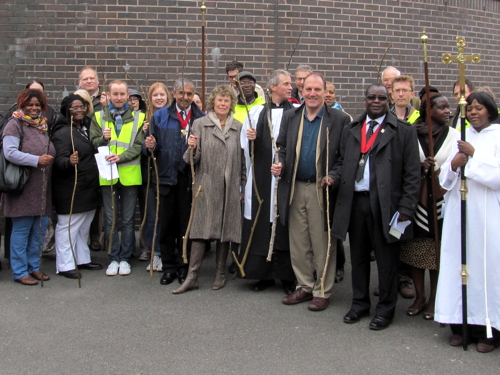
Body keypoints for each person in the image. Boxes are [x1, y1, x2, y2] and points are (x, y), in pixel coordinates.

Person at [331, 83, 420, 330]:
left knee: (386, 260)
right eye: (372, 97)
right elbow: (342, 162)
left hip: (387, 205)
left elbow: (412, 174)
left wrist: (406, 207)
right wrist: (333, 177)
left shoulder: (403, 131)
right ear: (365, 100)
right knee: (357, 257)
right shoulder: (353, 129)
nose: (376, 101)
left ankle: (386, 309)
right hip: (356, 202)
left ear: (388, 99)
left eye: (382, 97)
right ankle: (359, 304)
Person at [272, 73, 351, 311]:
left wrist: (333, 177)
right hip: (295, 186)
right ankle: (305, 286)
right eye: (308, 89)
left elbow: (345, 157)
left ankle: (322, 290)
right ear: (301, 91)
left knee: (322, 242)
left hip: (321, 188)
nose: (313, 94)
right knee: (298, 242)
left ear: (325, 92)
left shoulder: (339, 119)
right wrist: (281, 164)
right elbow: (283, 148)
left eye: (318, 89)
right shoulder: (291, 116)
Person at [435, 91, 500, 353]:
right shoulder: (459, 135)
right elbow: (444, 180)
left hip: (485, 211)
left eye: (479, 108)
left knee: (485, 268)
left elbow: (497, 177)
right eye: (469, 108)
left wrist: (472, 159)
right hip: (457, 211)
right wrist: (454, 163)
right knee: (457, 264)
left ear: (490, 110)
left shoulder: (497, 135)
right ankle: (459, 325)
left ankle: (488, 329)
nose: (473, 112)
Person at [173, 84, 245, 294]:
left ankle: (220, 273)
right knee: (200, 231)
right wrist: (191, 146)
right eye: (219, 100)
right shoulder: (200, 124)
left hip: (229, 186)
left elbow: (242, 162)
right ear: (213, 102)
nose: (223, 103)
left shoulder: (238, 127)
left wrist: (242, 185)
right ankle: (192, 276)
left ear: (231, 103)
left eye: (227, 100)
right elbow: (190, 161)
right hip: (206, 185)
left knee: (225, 229)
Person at [400, 93, 459, 319]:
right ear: (428, 111)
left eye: (447, 107)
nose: (447, 111)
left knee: (436, 252)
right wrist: (419, 164)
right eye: (441, 107)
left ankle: (435, 298)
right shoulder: (412, 133)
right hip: (417, 199)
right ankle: (420, 296)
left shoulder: (455, 135)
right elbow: (404, 162)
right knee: (416, 251)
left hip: (442, 201)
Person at [238, 69, 296, 294]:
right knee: (262, 223)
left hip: (285, 177)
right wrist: (252, 139)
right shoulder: (257, 111)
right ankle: (263, 274)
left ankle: (288, 276)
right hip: (262, 176)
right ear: (273, 87)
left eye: (290, 84)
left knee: (285, 225)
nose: (290, 87)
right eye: (286, 84)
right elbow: (245, 147)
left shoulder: (297, 112)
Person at [144, 78, 205, 285]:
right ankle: (169, 267)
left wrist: (196, 148)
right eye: (181, 93)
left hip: (189, 180)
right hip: (166, 178)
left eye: (189, 94)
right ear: (174, 93)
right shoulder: (160, 116)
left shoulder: (200, 117)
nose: (185, 98)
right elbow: (151, 150)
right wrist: (150, 145)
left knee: (185, 226)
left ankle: (184, 266)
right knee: (167, 225)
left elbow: (205, 152)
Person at [90, 80, 145, 277]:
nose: (119, 97)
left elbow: (139, 145)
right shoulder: (98, 116)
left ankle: (125, 257)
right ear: (110, 95)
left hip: (129, 175)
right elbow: (93, 141)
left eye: (122, 94)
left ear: (128, 95)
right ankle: (113, 257)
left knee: (129, 220)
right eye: (115, 94)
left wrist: (121, 157)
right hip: (108, 175)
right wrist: (103, 139)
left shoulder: (140, 117)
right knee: (111, 220)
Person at [1, 89, 55, 285]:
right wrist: (36, 160)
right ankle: (20, 270)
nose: (34, 108)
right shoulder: (14, 125)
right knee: (22, 230)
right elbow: (10, 153)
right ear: (22, 105)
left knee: (39, 231)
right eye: (30, 105)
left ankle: (34, 266)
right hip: (23, 188)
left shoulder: (41, 126)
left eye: (37, 105)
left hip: (41, 188)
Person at [51, 94, 102, 279]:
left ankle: (82, 259)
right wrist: (69, 161)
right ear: (67, 110)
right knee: (68, 226)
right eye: (74, 107)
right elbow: (59, 160)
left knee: (83, 226)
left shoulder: (87, 127)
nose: (79, 110)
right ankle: (65, 265)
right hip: (71, 188)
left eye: (82, 107)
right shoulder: (63, 133)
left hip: (88, 187)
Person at [139, 82, 172, 271]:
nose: (159, 98)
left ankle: (164, 252)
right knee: (152, 216)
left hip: (167, 173)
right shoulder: (144, 119)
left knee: (165, 216)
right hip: (150, 174)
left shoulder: (171, 117)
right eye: (155, 95)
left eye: (162, 95)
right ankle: (155, 252)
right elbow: (140, 148)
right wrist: (147, 141)